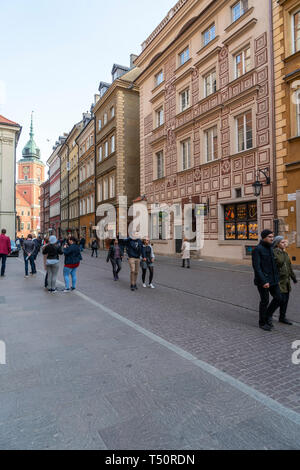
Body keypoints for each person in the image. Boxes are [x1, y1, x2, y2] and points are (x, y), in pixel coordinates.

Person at [252, 229, 282, 331]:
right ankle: (262, 322)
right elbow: (257, 268)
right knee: (265, 301)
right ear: (264, 237)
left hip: (273, 280)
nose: (272, 238)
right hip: (263, 281)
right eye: (269, 237)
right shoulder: (257, 249)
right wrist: (264, 281)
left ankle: (268, 315)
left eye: (272, 237)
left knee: (279, 298)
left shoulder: (270, 248)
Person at [273, 236, 298, 325]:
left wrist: (294, 278)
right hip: (279, 281)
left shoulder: (285, 254)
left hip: (286, 281)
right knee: (279, 299)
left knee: (285, 300)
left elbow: (289, 267)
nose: (285, 244)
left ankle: (282, 317)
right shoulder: (274, 253)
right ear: (277, 244)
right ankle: (268, 314)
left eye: (285, 242)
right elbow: (276, 264)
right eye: (282, 242)